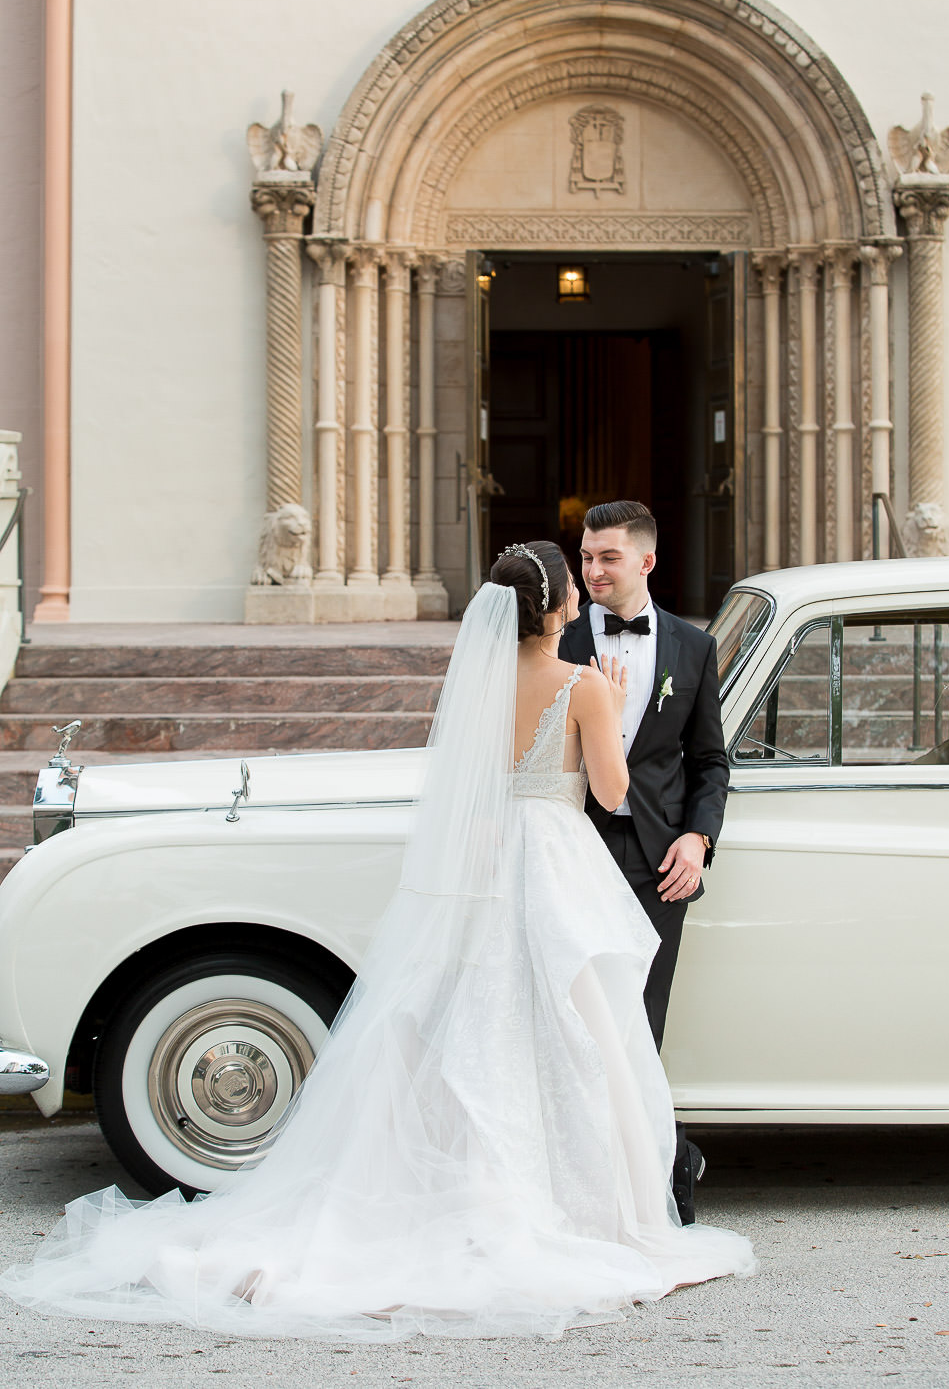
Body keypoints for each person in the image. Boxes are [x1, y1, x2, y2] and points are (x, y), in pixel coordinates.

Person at [0, 541, 754, 1340]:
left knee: (472, 1024)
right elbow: (609, 791)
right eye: (573, 582)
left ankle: (464, 1186)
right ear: (559, 604)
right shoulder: (584, 685)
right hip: (555, 861)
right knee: (568, 1028)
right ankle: (565, 1199)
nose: (581, 590)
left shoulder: (483, 682)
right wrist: (607, 707)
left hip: (486, 863)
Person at [559, 502, 729, 1225]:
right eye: (587, 558)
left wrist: (698, 839)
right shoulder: (552, 641)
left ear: (646, 563)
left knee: (640, 1024)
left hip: (661, 863)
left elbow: (710, 760)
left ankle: (655, 1176)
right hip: (573, 854)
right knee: (578, 1025)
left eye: (608, 559)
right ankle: (634, 1173)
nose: (593, 570)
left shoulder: (692, 647)